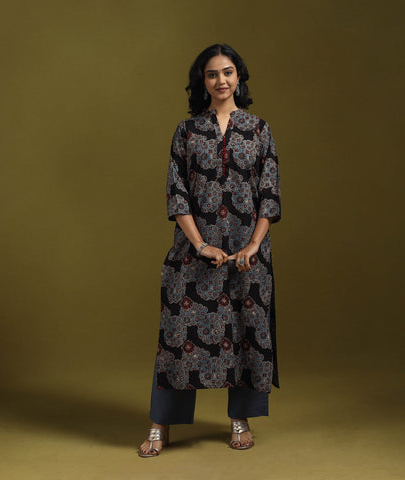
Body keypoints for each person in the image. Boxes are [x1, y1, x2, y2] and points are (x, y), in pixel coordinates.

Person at [139, 43, 281, 457]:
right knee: (177, 337)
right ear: (202, 81)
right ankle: (160, 425)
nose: (221, 80)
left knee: (246, 332)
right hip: (193, 252)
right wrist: (200, 245)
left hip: (247, 255)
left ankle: (240, 419)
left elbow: (269, 194)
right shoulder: (187, 131)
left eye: (228, 72)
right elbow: (177, 193)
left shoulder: (259, 129)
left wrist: (253, 245)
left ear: (239, 77)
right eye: (212, 74)